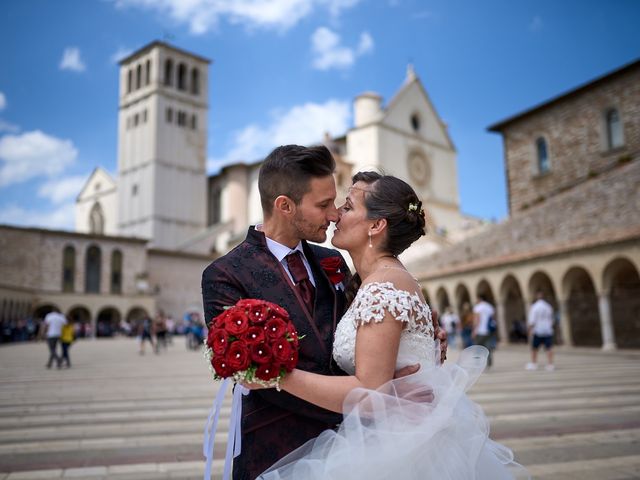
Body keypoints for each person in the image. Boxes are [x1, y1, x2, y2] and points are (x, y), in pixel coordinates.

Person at [248, 172, 524, 479]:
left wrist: (275, 376)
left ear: (377, 226)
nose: (337, 213)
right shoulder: (384, 280)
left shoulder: (383, 288)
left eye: (349, 207)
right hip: (396, 431)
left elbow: (367, 391)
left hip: (399, 446)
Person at [202, 145, 447, 480]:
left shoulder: (332, 260)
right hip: (276, 451)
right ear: (284, 206)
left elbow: (370, 326)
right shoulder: (225, 275)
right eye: (323, 205)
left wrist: (416, 337)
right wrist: (381, 393)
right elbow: (244, 370)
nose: (334, 214)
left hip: (359, 444)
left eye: (337, 202)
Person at [525, 291, 555, 371]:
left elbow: (532, 320)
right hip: (547, 330)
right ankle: (550, 364)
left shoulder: (535, 307)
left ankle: (534, 364)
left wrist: (529, 329)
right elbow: (551, 319)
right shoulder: (548, 306)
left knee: (534, 348)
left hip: (538, 330)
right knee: (549, 347)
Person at [472, 295, 496, 368]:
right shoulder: (489, 307)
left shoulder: (478, 307)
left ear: (479, 298)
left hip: (480, 331)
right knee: (487, 347)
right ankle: (489, 361)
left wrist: (474, 330)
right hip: (488, 330)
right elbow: (492, 318)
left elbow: (477, 319)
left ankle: (478, 363)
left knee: (478, 347)